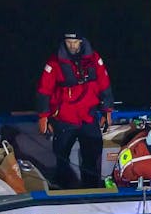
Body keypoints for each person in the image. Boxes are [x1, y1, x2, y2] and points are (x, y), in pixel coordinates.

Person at [36, 31, 114, 189]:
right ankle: (63, 187)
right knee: (61, 157)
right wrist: (43, 116)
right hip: (64, 119)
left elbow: (104, 83)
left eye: (75, 41)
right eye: (68, 41)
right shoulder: (54, 62)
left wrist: (107, 110)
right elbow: (44, 90)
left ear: (82, 41)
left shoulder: (94, 59)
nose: (72, 45)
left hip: (88, 117)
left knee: (91, 157)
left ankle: (91, 188)